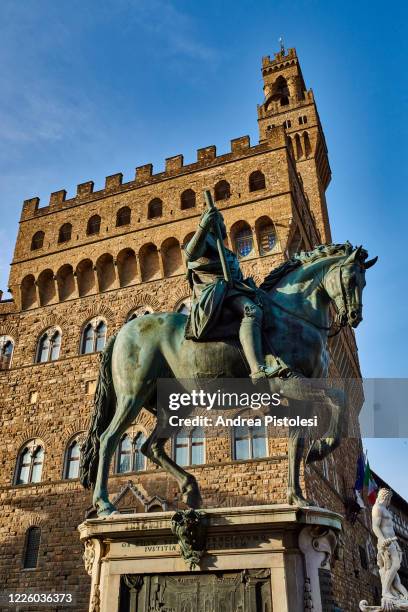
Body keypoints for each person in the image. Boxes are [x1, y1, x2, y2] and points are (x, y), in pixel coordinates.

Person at [184, 205, 290, 382]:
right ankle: (257, 369)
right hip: (217, 292)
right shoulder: (206, 242)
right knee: (252, 311)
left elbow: (236, 278)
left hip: (233, 290)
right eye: (219, 221)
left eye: (223, 222)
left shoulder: (226, 251)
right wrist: (202, 226)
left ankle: (274, 356)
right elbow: (190, 254)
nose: (223, 225)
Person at [371, 488, 408, 603]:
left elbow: (391, 529)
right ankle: (385, 591)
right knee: (395, 565)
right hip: (386, 542)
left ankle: (395, 593)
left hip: (392, 541)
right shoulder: (377, 508)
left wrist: (397, 545)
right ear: (385, 497)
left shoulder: (385, 509)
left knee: (394, 570)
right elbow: (375, 526)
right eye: (389, 499)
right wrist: (382, 540)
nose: (389, 502)